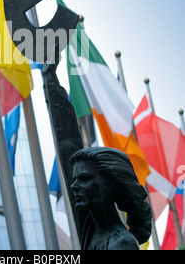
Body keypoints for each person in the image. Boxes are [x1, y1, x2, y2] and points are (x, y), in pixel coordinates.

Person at [42, 52, 152, 250]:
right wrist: (50, 79)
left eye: (83, 178)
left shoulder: (122, 244)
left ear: (110, 184)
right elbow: (67, 142)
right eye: (75, 179)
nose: (74, 185)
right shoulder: (91, 229)